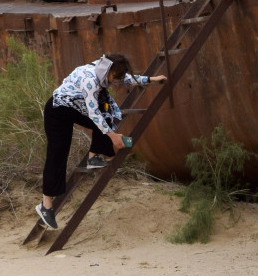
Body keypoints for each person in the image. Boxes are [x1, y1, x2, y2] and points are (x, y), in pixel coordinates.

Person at [35, 54, 166, 231]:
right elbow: (93, 113)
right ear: (108, 70)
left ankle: (93, 155)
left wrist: (152, 79)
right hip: (57, 110)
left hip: (73, 107)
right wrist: (113, 136)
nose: (116, 81)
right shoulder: (90, 80)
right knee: (57, 154)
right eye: (114, 78)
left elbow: (126, 79)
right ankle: (46, 205)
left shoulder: (105, 70)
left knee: (107, 114)